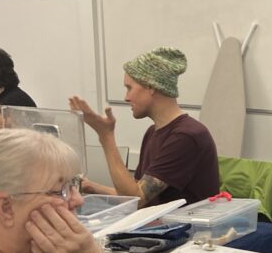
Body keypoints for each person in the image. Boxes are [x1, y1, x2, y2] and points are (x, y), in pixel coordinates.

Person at [70, 46, 219, 208]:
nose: (126, 97)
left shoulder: (186, 137)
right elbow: (134, 191)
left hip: (180, 225)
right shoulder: (153, 132)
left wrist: (106, 137)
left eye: (129, 88)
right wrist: (91, 187)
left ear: (151, 86)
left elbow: (136, 199)